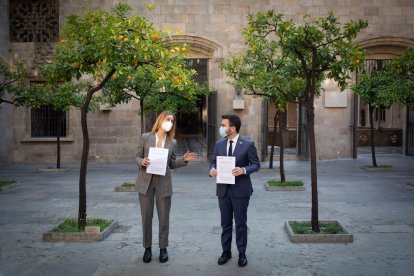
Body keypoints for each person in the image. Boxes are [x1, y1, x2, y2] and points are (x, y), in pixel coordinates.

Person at [136, 111, 197, 263]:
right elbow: (137, 156)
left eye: (172, 120)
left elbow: (172, 164)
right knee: (146, 217)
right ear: (160, 120)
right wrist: (141, 161)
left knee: (164, 218)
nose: (169, 122)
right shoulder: (145, 137)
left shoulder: (172, 142)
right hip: (146, 182)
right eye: (167, 119)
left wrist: (184, 160)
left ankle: (163, 248)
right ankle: (147, 248)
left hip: (163, 182)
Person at [209, 114, 260, 267]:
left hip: (241, 191)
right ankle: (226, 251)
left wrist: (243, 170)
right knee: (225, 223)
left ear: (232, 128)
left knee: (240, 224)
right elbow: (213, 161)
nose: (221, 128)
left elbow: (256, 164)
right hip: (223, 190)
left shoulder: (248, 144)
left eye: (223, 125)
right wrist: (212, 169)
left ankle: (242, 253)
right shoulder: (219, 144)